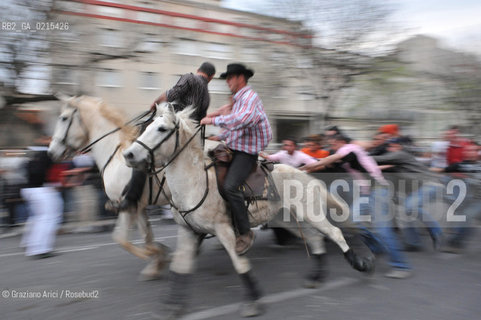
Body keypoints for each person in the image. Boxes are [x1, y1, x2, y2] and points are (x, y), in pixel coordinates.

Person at [301, 134, 412, 279]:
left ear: (341, 142)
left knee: (383, 230)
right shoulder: (347, 155)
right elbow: (327, 164)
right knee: (353, 222)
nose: (331, 148)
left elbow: (329, 159)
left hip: (379, 191)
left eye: (333, 144)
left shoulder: (350, 149)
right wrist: (306, 169)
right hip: (367, 194)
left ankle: (401, 266)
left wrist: (311, 165)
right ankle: (376, 247)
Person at [120, 62, 216, 210]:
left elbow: (172, 94)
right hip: (186, 137)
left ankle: (132, 196)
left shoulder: (190, 78)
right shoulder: (207, 95)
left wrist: (156, 102)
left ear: (198, 70)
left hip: (170, 126)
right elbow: (200, 122)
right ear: (211, 77)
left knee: (143, 142)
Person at [200, 63, 272, 255]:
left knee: (231, 186)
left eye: (230, 78)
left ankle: (246, 233)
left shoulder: (250, 97)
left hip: (247, 152)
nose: (227, 82)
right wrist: (219, 137)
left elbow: (242, 121)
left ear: (240, 78)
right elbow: (237, 129)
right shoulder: (238, 100)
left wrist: (212, 120)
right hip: (236, 146)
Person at [372, 137, 443, 251]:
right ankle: (414, 243)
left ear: (398, 146)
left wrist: (358, 156)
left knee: (408, 207)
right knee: (406, 212)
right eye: (389, 147)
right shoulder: (397, 162)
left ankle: (436, 230)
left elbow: (379, 159)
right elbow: (378, 168)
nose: (389, 149)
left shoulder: (401, 154)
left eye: (391, 146)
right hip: (421, 189)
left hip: (431, 185)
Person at [20, 147, 63, 258]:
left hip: (29, 190)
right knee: (47, 219)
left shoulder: (32, 160)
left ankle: (31, 244)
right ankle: (39, 249)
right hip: (42, 190)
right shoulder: (49, 158)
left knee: (38, 218)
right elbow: (53, 177)